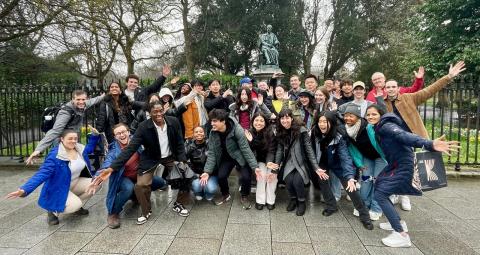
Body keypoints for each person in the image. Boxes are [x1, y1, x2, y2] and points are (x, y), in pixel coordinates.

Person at [368, 106, 459, 247]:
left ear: (381, 114)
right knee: (379, 185)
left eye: (374, 114)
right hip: (395, 164)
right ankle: (397, 222)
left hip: (404, 165)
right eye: (368, 115)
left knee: (380, 193)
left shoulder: (386, 126)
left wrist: (430, 143)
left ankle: (401, 235)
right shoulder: (379, 127)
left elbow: (404, 136)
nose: (370, 117)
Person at [89, 101, 189, 224]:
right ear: (149, 113)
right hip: (151, 158)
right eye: (154, 112)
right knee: (141, 185)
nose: (158, 114)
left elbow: (179, 143)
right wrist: (109, 170)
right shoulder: (143, 127)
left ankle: (179, 203)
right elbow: (129, 150)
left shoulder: (174, 121)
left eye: (160, 110)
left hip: (170, 156)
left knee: (186, 174)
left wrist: (182, 161)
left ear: (164, 110)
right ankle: (145, 211)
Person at [383, 61, 465, 210]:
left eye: (393, 86)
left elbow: (430, 90)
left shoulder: (409, 98)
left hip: (411, 138)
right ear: (385, 89)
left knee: (408, 167)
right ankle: (395, 191)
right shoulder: (383, 104)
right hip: (394, 140)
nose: (391, 89)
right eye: (388, 87)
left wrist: (448, 77)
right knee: (394, 166)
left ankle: (404, 195)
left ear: (398, 88)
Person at [6, 128, 101, 225]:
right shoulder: (55, 156)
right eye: (70, 138)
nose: (73, 141)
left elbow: (89, 149)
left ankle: (71, 202)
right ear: (62, 139)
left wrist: (94, 135)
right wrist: (24, 190)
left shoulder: (79, 148)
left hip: (74, 182)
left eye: (75, 138)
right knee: (75, 205)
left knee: (96, 184)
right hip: (59, 187)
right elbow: (41, 174)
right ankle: (53, 210)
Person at [311, 111, 374, 230]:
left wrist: (350, 177)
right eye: (320, 121)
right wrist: (316, 167)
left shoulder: (339, 135)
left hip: (337, 162)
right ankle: (331, 206)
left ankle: (364, 215)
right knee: (322, 180)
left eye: (325, 121)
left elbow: (345, 157)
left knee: (350, 186)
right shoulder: (315, 133)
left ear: (331, 123)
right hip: (322, 161)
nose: (322, 124)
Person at [273, 109, 338, 216]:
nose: (285, 121)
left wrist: (316, 167)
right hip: (289, 161)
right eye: (282, 118)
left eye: (287, 118)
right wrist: (275, 167)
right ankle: (293, 199)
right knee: (288, 180)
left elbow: (309, 150)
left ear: (292, 118)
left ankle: (301, 202)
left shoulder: (301, 130)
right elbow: (280, 150)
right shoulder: (280, 131)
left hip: (302, 161)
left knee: (297, 180)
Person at [102, 123, 167, 229]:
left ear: (128, 132)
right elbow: (107, 162)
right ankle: (113, 212)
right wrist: (103, 172)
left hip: (139, 175)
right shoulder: (114, 150)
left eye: (123, 132)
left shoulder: (137, 142)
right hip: (123, 178)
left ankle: (136, 195)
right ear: (115, 136)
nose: (122, 135)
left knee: (160, 182)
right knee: (128, 188)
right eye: (118, 133)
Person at [201, 109, 260, 209]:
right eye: (211, 121)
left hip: (239, 156)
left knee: (246, 177)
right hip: (226, 157)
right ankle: (226, 194)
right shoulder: (213, 132)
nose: (212, 123)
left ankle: (244, 195)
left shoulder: (237, 129)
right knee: (221, 176)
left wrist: (255, 167)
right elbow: (212, 153)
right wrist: (207, 171)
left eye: (214, 121)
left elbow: (245, 149)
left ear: (223, 121)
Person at [25, 90, 104, 164]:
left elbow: (94, 100)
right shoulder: (66, 112)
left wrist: (105, 95)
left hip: (72, 138)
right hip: (61, 140)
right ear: (73, 99)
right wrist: (38, 149)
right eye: (78, 99)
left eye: (83, 99)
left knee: (73, 161)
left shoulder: (84, 104)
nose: (81, 102)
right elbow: (55, 131)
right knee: (57, 161)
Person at [343, 104, 387, 221]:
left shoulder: (367, 127)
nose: (348, 118)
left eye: (351, 116)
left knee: (378, 181)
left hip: (381, 158)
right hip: (368, 158)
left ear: (358, 117)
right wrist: (359, 164)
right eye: (346, 116)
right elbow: (353, 149)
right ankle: (363, 205)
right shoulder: (348, 130)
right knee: (366, 180)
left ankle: (377, 208)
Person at [244, 113, 277, 210]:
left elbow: (271, 150)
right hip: (259, 160)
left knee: (272, 176)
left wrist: (269, 163)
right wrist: (250, 141)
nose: (259, 123)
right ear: (252, 121)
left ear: (266, 122)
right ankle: (260, 200)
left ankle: (271, 200)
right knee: (261, 175)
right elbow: (250, 152)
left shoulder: (270, 132)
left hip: (271, 159)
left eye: (261, 121)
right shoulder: (249, 133)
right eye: (256, 120)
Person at [187, 126, 218, 202]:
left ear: (204, 134)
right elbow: (186, 162)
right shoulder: (189, 146)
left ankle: (209, 193)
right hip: (197, 174)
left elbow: (214, 160)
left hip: (211, 173)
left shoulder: (210, 144)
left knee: (211, 188)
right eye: (196, 132)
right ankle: (199, 193)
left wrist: (208, 173)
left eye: (201, 131)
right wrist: (195, 174)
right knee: (196, 186)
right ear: (193, 134)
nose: (199, 133)